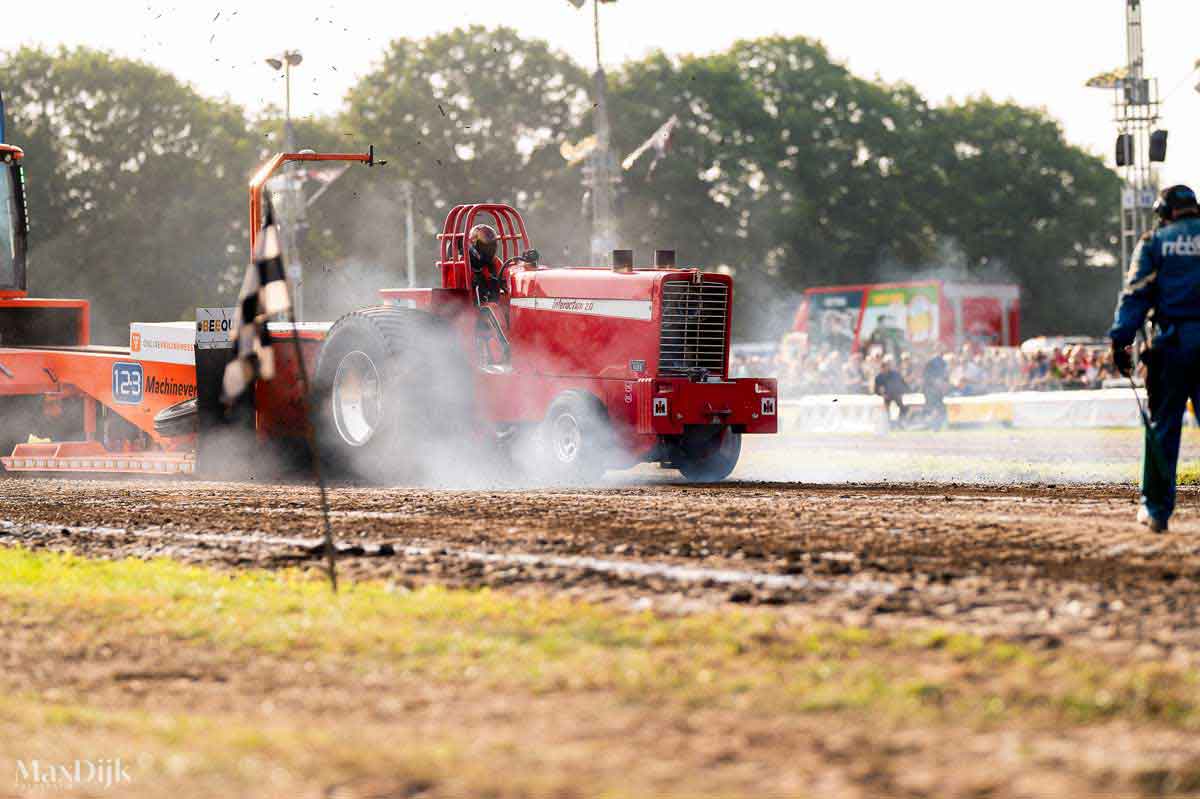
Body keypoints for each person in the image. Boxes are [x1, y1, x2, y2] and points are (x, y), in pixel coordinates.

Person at [1110, 184, 1200, 533]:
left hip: (1172, 345)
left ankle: (1157, 510)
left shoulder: (1155, 242)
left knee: (1163, 429)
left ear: (1164, 214)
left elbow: (1136, 294)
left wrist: (1120, 340)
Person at [467, 223, 504, 303]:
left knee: (494, 282)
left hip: (493, 308)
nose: (489, 250)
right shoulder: (461, 264)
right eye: (485, 247)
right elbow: (455, 296)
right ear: (474, 245)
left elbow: (506, 281)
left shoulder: (495, 262)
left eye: (491, 246)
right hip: (468, 308)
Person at [874, 354, 910, 429]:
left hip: (895, 394)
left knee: (904, 408)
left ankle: (900, 422)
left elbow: (901, 383)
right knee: (886, 410)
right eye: (883, 367)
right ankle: (889, 424)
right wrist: (882, 394)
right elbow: (876, 389)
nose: (885, 369)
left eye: (886, 366)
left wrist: (902, 392)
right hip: (886, 396)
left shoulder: (895, 374)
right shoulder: (879, 377)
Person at [921, 349, 949, 429]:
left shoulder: (943, 363)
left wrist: (943, 384)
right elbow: (927, 378)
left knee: (939, 407)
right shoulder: (930, 364)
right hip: (930, 390)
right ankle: (932, 424)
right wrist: (936, 382)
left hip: (937, 391)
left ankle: (937, 425)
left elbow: (945, 377)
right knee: (934, 407)